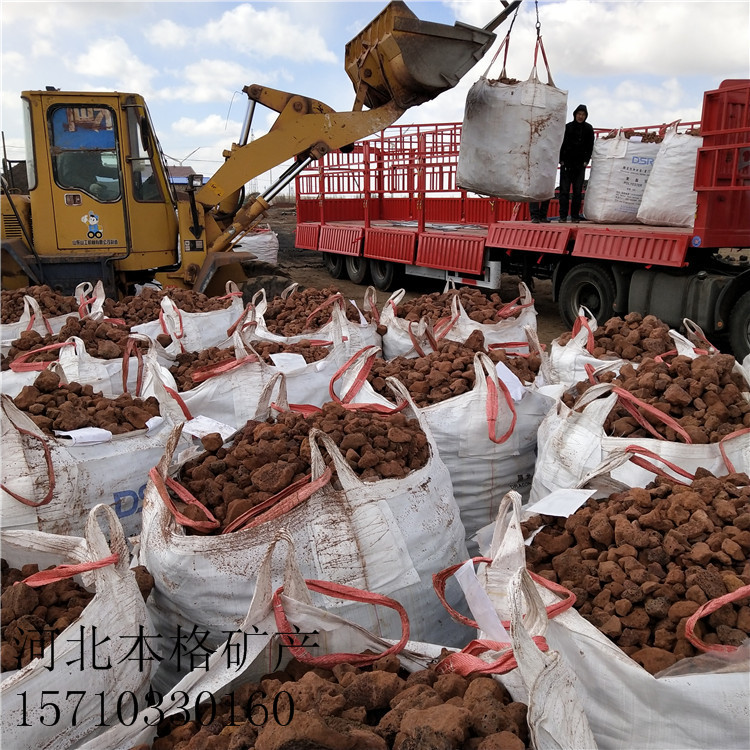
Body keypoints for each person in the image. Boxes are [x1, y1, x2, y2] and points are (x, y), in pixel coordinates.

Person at [558, 104, 594, 222]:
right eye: (579, 114)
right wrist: (561, 160)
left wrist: (585, 161)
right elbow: (561, 144)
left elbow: (590, 147)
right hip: (567, 164)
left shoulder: (589, 129)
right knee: (564, 191)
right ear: (575, 114)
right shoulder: (567, 127)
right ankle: (563, 217)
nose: (580, 116)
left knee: (577, 192)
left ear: (586, 116)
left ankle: (574, 216)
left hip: (580, 165)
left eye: (583, 115)